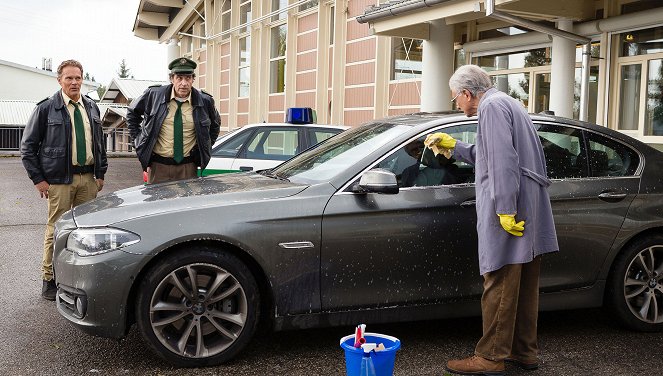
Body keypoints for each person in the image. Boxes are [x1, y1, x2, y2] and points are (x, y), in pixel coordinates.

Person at [426, 64, 559, 375]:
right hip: (527, 201)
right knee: (523, 282)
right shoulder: (508, 102)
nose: (456, 105)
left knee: (498, 279)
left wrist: (504, 209)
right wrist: (454, 146)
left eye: (454, 98)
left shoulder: (490, 107)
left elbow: (501, 162)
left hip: (512, 203)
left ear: (467, 93)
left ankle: (490, 357)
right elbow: (491, 152)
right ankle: (524, 351)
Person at [21, 59, 108, 301]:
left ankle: (82, 278)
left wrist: (100, 174)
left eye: (78, 78)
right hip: (59, 180)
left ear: (83, 79)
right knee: (56, 230)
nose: (74, 82)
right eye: (69, 78)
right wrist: (38, 179)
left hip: (88, 178)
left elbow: (99, 144)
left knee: (88, 232)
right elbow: (27, 147)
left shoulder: (91, 107)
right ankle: (49, 279)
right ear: (59, 80)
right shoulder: (46, 108)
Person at [127, 57, 221, 184]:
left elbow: (215, 126)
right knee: (156, 203)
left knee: (186, 204)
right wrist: (138, 143)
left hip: (188, 167)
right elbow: (132, 114)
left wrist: (205, 147)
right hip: (158, 167)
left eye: (188, 78)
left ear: (193, 79)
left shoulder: (205, 101)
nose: (184, 83)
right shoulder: (153, 95)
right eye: (179, 78)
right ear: (172, 79)